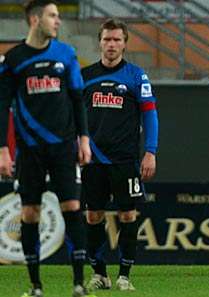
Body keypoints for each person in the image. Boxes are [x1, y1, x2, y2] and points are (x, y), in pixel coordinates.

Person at [0, 1, 92, 296]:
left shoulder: (66, 54)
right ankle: (36, 285)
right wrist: (3, 149)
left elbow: (78, 99)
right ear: (34, 19)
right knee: (29, 213)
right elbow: (2, 107)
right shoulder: (13, 60)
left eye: (59, 16)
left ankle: (79, 283)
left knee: (72, 208)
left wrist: (84, 139)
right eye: (53, 16)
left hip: (64, 147)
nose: (58, 21)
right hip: (30, 151)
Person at [80, 19, 158, 291]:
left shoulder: (137, 76)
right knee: (93, 216)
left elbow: (150, 115)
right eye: (106, 39)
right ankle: (99, 273)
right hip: (92, 160)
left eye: (116, 40)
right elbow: (74, 117)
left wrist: (151, 151)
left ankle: (125, 275)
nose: (111, 44)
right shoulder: (85, 76)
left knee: (127, 215)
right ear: (99, 42)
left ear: (125, 43)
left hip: (125, 160)